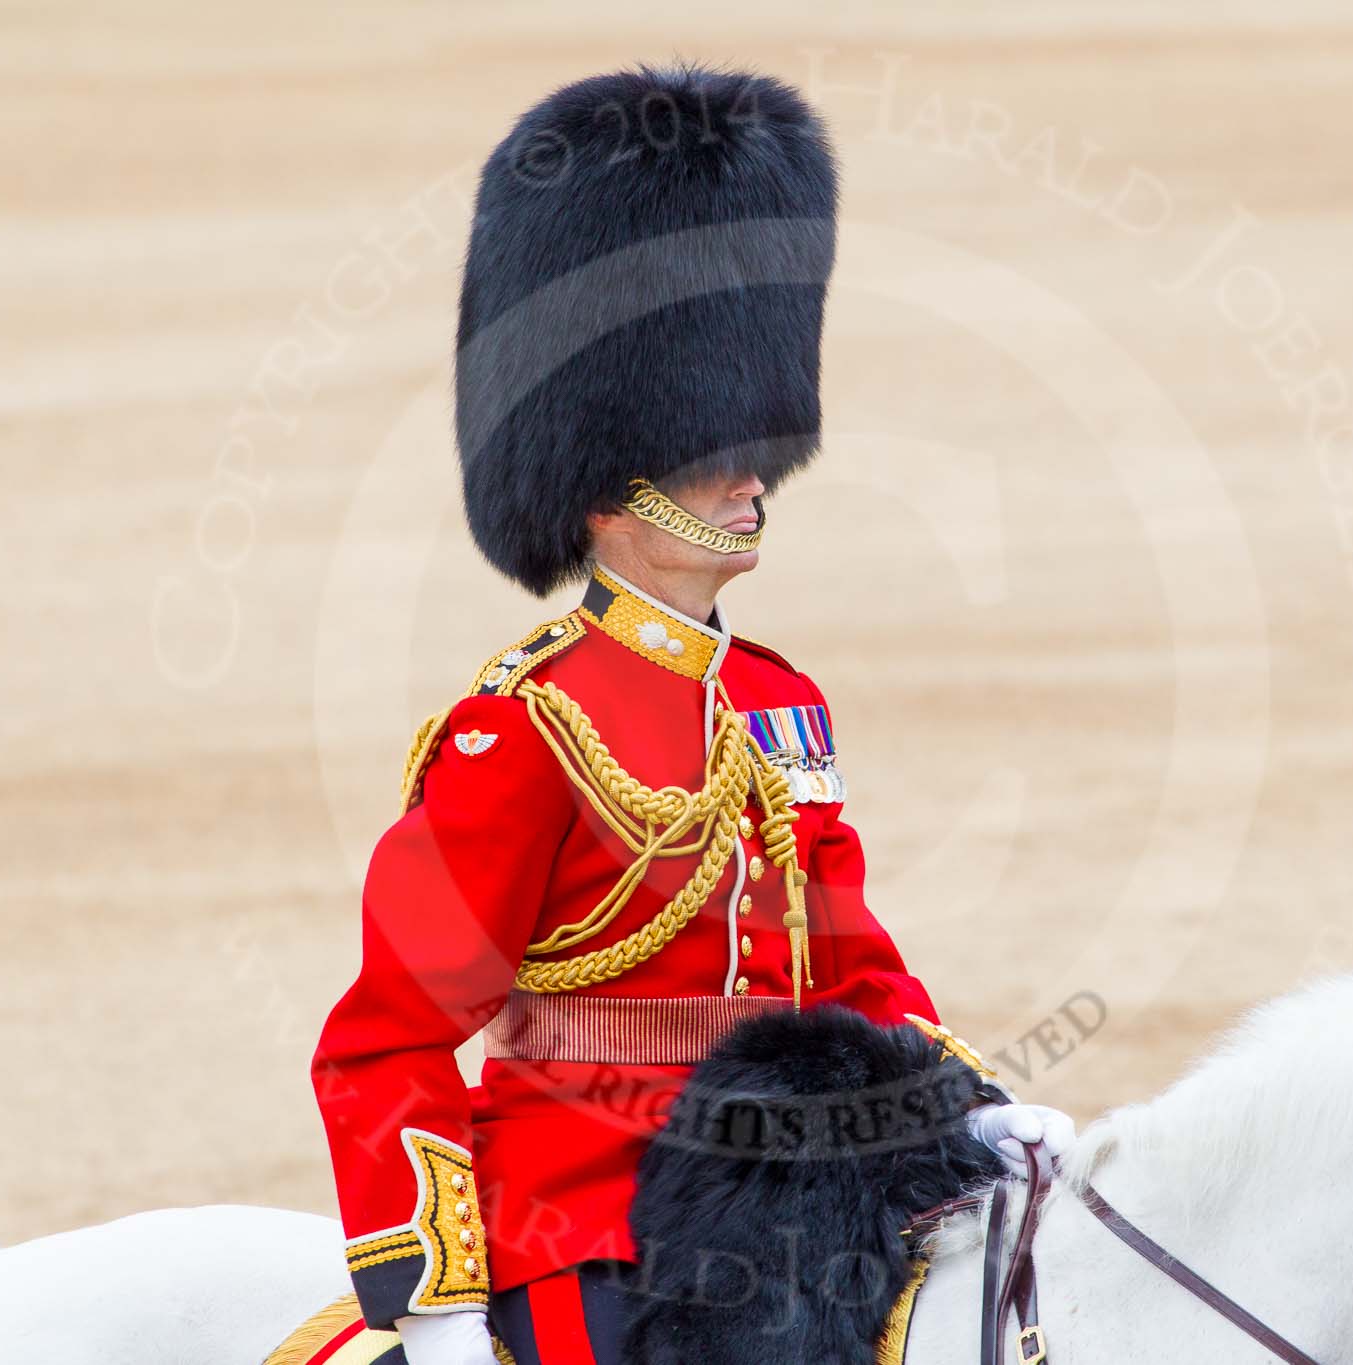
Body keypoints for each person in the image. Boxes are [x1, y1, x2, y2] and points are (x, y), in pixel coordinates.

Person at [310, 65, 1074, 1365]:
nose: (746, 484)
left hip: (803, 1200)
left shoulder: (780, 702)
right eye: (705, 458)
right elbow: (388, 1036)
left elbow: (850, 967)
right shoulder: (527, 729)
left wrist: (972, 1102)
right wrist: (432, 1293)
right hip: (586, 1219)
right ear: (610, 485)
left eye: (750, 453)